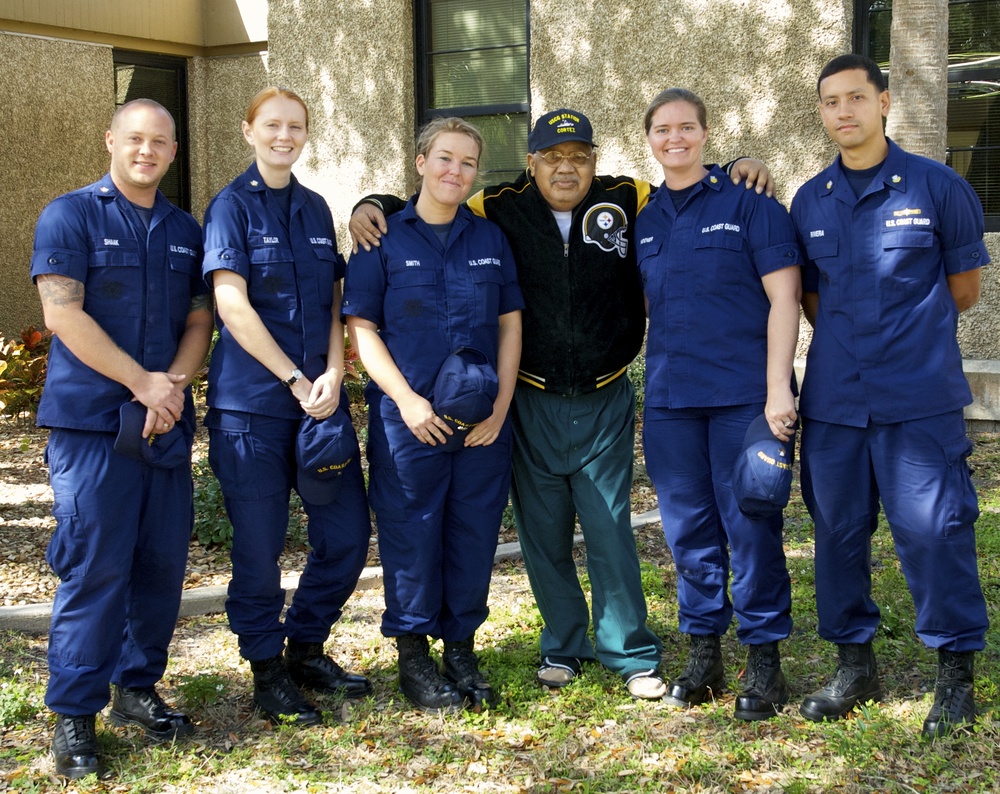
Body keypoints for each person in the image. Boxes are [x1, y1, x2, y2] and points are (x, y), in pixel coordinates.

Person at [350, 108, 773, 700]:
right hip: (530, 396)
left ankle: (628, 649)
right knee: (542, 533)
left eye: (578, 157)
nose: (565, 168)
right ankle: (563, 645)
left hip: (605, 392)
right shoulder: (496, 208)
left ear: (594, 162)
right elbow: (430, 200)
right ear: (532, 163)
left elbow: (689, 181)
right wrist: (370, 202)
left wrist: (735, 167)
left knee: (607, 525)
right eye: (552, 158)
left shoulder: (630, 197)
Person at [791, 54, 990, 738]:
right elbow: (813, 298)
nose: (842, 111)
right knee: (838, 537)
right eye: (829, 101)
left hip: (918, 399)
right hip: (835, 404)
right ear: (821, 114)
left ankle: (955, 676)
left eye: (855, 97)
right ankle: (854, 664)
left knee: (935, 534)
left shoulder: (938, 188)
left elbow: (965, 291)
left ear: (883, 103)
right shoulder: (809, 199)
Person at [31, 99, 213, 779]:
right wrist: (145, 383)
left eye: (160, 142)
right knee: (96, 565)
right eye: (135, 138)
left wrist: (174, 385)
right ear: (111, 139)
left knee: (160, 566)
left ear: (172, 152)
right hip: (91, 426)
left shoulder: (184, 229)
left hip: (163, 422)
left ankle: (136, 689)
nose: (147, 150)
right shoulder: (70, 214)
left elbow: (199, 321)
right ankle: (75, 713)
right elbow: (61, 313)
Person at [202, 86, 372, 727]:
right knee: (259, 548)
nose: (284, 136)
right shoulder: (229, 208)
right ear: (249, 131)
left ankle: (304, 646)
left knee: (348, 536)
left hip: (319, 406)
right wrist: (298, 380)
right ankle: (266, 670)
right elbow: (232, 307)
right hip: (253, 410)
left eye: (295, 126)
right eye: (271, 125)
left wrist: (332, 370)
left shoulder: (315, 206)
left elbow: (332, 305)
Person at [344, 117, 523, 713]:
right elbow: (362, 330)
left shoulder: (490, 239)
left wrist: (499, 408)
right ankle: (415, 658)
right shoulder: (382, 239)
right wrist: (408, 401)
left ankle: (461, 650)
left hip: (481, 425)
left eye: (468, 163)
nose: (455, 171)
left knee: (472, 534)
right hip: (409, 421)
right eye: (445, 158)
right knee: (412, 535)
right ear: (421, 163)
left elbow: (509, 323)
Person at [636, 88, 802, 721]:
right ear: (649, 139)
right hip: (673, 402)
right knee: (688, 533)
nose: (674, 138)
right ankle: (704, 652)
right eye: (661, 129)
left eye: (686, 127)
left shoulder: (751, 204)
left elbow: (785, 301)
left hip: (743, 400)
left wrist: (778, 389)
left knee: (751, 526)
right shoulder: (645, 219)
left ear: (706, 135)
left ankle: (764, 660)